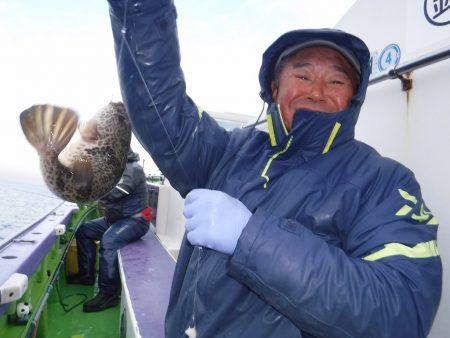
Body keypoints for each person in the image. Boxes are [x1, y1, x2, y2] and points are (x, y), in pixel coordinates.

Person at [107, 1, 442, 337]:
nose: (317, 91)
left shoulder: (384, 182)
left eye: (337, 81)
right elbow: (159, 108)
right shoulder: (228, 151)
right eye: (302, 74)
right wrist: (139, 8)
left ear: (353, 98)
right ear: (274, 88)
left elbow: (402, 311)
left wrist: (250, 237)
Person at [67, 148, 152, 312]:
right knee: (84, 231)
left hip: (135, 220)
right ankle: (86, 276)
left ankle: (109, 294)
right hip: (115, 219)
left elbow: (118, 192)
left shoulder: (133, 169)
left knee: (109, 240)